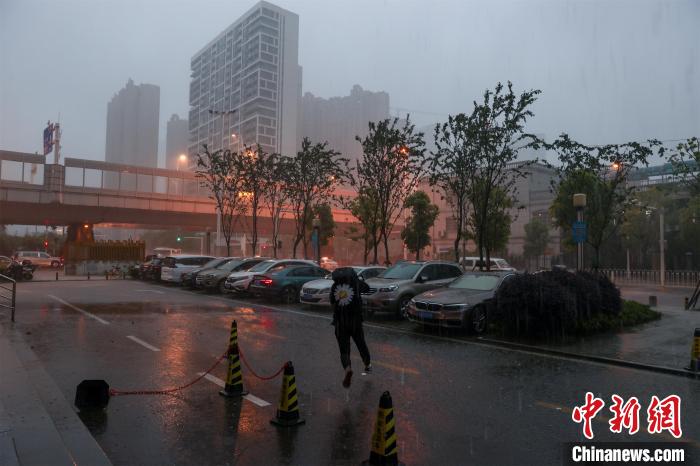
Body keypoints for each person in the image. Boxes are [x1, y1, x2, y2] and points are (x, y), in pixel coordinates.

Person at [330, 267, 371, 388]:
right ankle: (367, 364)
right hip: (355, 321)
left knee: (344, 350)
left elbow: (332, 303)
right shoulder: (356, 284)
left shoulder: (334, 287)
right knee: (361, 343)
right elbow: (367, 288)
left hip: (340, 323)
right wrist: (358, 281)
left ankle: (348, 368)